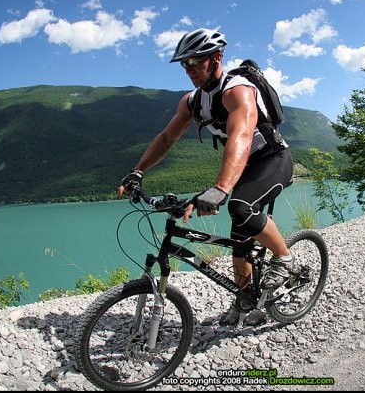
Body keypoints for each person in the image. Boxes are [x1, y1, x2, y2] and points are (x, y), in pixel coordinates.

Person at [120, 28, 294, 326]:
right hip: (243, 166)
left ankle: (284, 258)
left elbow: (240, 135)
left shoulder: (237, 90)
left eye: (194, 62)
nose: (188, 70)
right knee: (240, 239)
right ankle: (244, 303)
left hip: (273, 159)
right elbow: (165, 139)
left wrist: (220, 188)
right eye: (184, 64)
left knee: (240, 208)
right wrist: (137, 172)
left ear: (216, 58)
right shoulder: (192, 101)